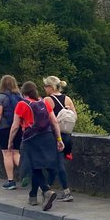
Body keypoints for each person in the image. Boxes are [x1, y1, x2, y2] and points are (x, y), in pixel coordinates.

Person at [8, 81, 64, 210]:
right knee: (39, 167)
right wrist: (59, 139)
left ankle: (46, 191)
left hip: (31, 139)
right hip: (47, 137)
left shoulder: (22, 104)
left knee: (32, 166)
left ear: (24, 92)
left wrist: (10, 142)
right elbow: (54, 121)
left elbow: (15, 126)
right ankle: (32, 196)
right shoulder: (44, 102)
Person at [43, 75, 77, 203]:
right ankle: (46, 187)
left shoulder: (48, 100)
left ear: (51, 87)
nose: (44, 89)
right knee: (57, 161)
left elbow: (45, 118)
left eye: (46, 86)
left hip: (54, 135)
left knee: (58, 163)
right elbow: (75, 117)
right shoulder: (67, 99)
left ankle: (66, 191)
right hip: (67, 135)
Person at [0, 74, 23, 189]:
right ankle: (27, 173)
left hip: (4, 127)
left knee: (7, 153)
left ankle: (11, 181)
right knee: (16, 152)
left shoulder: (1, 97)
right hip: (18, 126)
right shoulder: (19, 95)